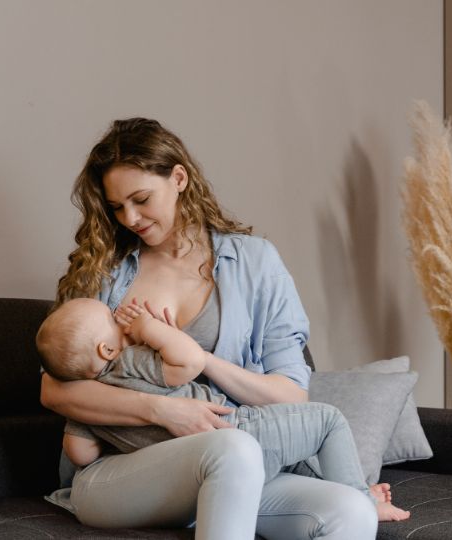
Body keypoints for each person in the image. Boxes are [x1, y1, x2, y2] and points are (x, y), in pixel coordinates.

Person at [40, 117, 381, 539]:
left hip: (234, 465)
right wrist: (165, 411)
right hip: (121, 473)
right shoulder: (103, 272)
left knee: (352, 510)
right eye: (116, 207)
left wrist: (203, 360)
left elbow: (291, 395)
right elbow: (54, 389)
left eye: (141, 198)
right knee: (233, 448)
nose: (129, 217)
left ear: (179, 178)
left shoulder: (256, 263)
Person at [36, 298, 411, 522]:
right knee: (327, 420)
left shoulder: (86, 406)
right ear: (106, 350)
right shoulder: (131, 361)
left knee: (297, 458)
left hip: (185, 465)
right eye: (112, 319)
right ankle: (361, 498)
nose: (122, 320)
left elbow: (80, 452)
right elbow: (188, 360)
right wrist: (149, 328)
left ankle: (345, 489)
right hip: (237, 427)